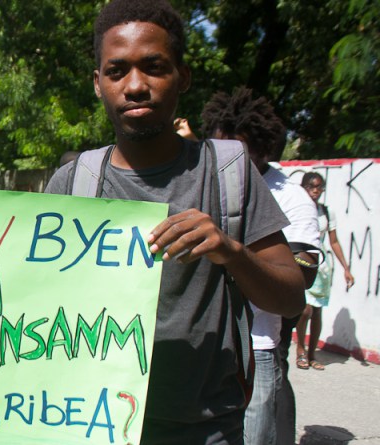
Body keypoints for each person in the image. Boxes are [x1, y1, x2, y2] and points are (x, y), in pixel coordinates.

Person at [44, 1, 305, 443]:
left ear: (182, 76)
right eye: (116, 71)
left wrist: (231, 252)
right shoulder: (72, 183)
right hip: (90, 424)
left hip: (207, 429)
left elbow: (290, 297)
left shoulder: (229, 173)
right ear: (97, 83)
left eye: (153, 67)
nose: (135, 86)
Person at [202, 86, 321, 445]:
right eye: (218, 147)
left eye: (238, 152)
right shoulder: (203, 181)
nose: (225, 160)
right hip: (200, 345)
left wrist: (234, 253)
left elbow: (300, 276)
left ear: (262, 150)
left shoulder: (291, 197)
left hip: (255, 347)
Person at [296, 172, 355, 371]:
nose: (315, 191)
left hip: (321, 267)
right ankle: (300, 351)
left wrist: (346, 268)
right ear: (303, 187)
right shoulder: (297, 209)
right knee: (305, 310)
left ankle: (312, 355)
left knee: (317, 312)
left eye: (319, 187)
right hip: (301, 262)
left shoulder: (326, 213)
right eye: (311, 186)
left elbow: (334, 241)